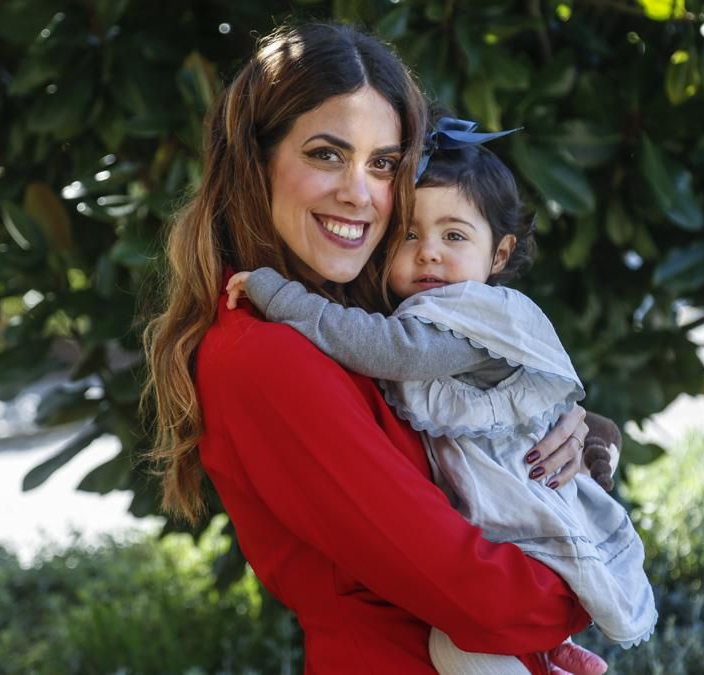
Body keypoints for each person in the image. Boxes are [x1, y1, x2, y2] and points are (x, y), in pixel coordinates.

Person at [144, 22, 618, 674]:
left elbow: (456, 449)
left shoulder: (364, 318)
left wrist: (571, 431)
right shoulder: (264, 355)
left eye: (384, 163)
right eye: (326, 154)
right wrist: (588, 577)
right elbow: (476, 593)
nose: (360, 192)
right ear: (258, 165)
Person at [225, 134, 658, 674]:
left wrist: (281, 296)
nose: (428, 251)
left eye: (454, 235)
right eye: (409, 235)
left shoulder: (464, 314)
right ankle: (550, 656)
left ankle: (546, 654)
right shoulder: (257, 353)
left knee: (463, 651)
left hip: (513, 514)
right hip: (429, 616)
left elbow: (383, 349)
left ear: (499, 253)